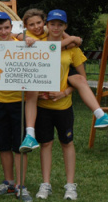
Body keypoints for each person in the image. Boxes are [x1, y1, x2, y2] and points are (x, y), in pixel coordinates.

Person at [19, 9, 108, 152]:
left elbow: (82, 76)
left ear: (43, 24)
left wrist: (65, 92)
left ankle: (100, 114)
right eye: (52, 24)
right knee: (32, 91)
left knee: (79, 78)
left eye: (39, 23)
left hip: (61, 76)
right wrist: (73, 39)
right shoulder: (31, 37)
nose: (36, 27)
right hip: (39, 76)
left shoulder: (65, 43)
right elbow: (15, 37)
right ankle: (30, 135)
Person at [34, 10, 85, 200]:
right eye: (52, 24)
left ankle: (70, 185)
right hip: (42, 105)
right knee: (45, 143)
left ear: (65, 27)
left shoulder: (72, 49)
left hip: (63, 105)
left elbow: (82, 80)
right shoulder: (37, 45)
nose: (56, 28)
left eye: (60, 25)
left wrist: (64, 92)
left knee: (67, 143)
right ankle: (45, 184)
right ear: (47, 25)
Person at [0, 12, 32, 202]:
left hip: (18, 102)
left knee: (20, 145)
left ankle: (21, 185)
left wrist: (27, 38)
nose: (3, 31)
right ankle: (9, 182)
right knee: (3, 145)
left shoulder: (22, 45)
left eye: (6, 28)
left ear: (11, 28)